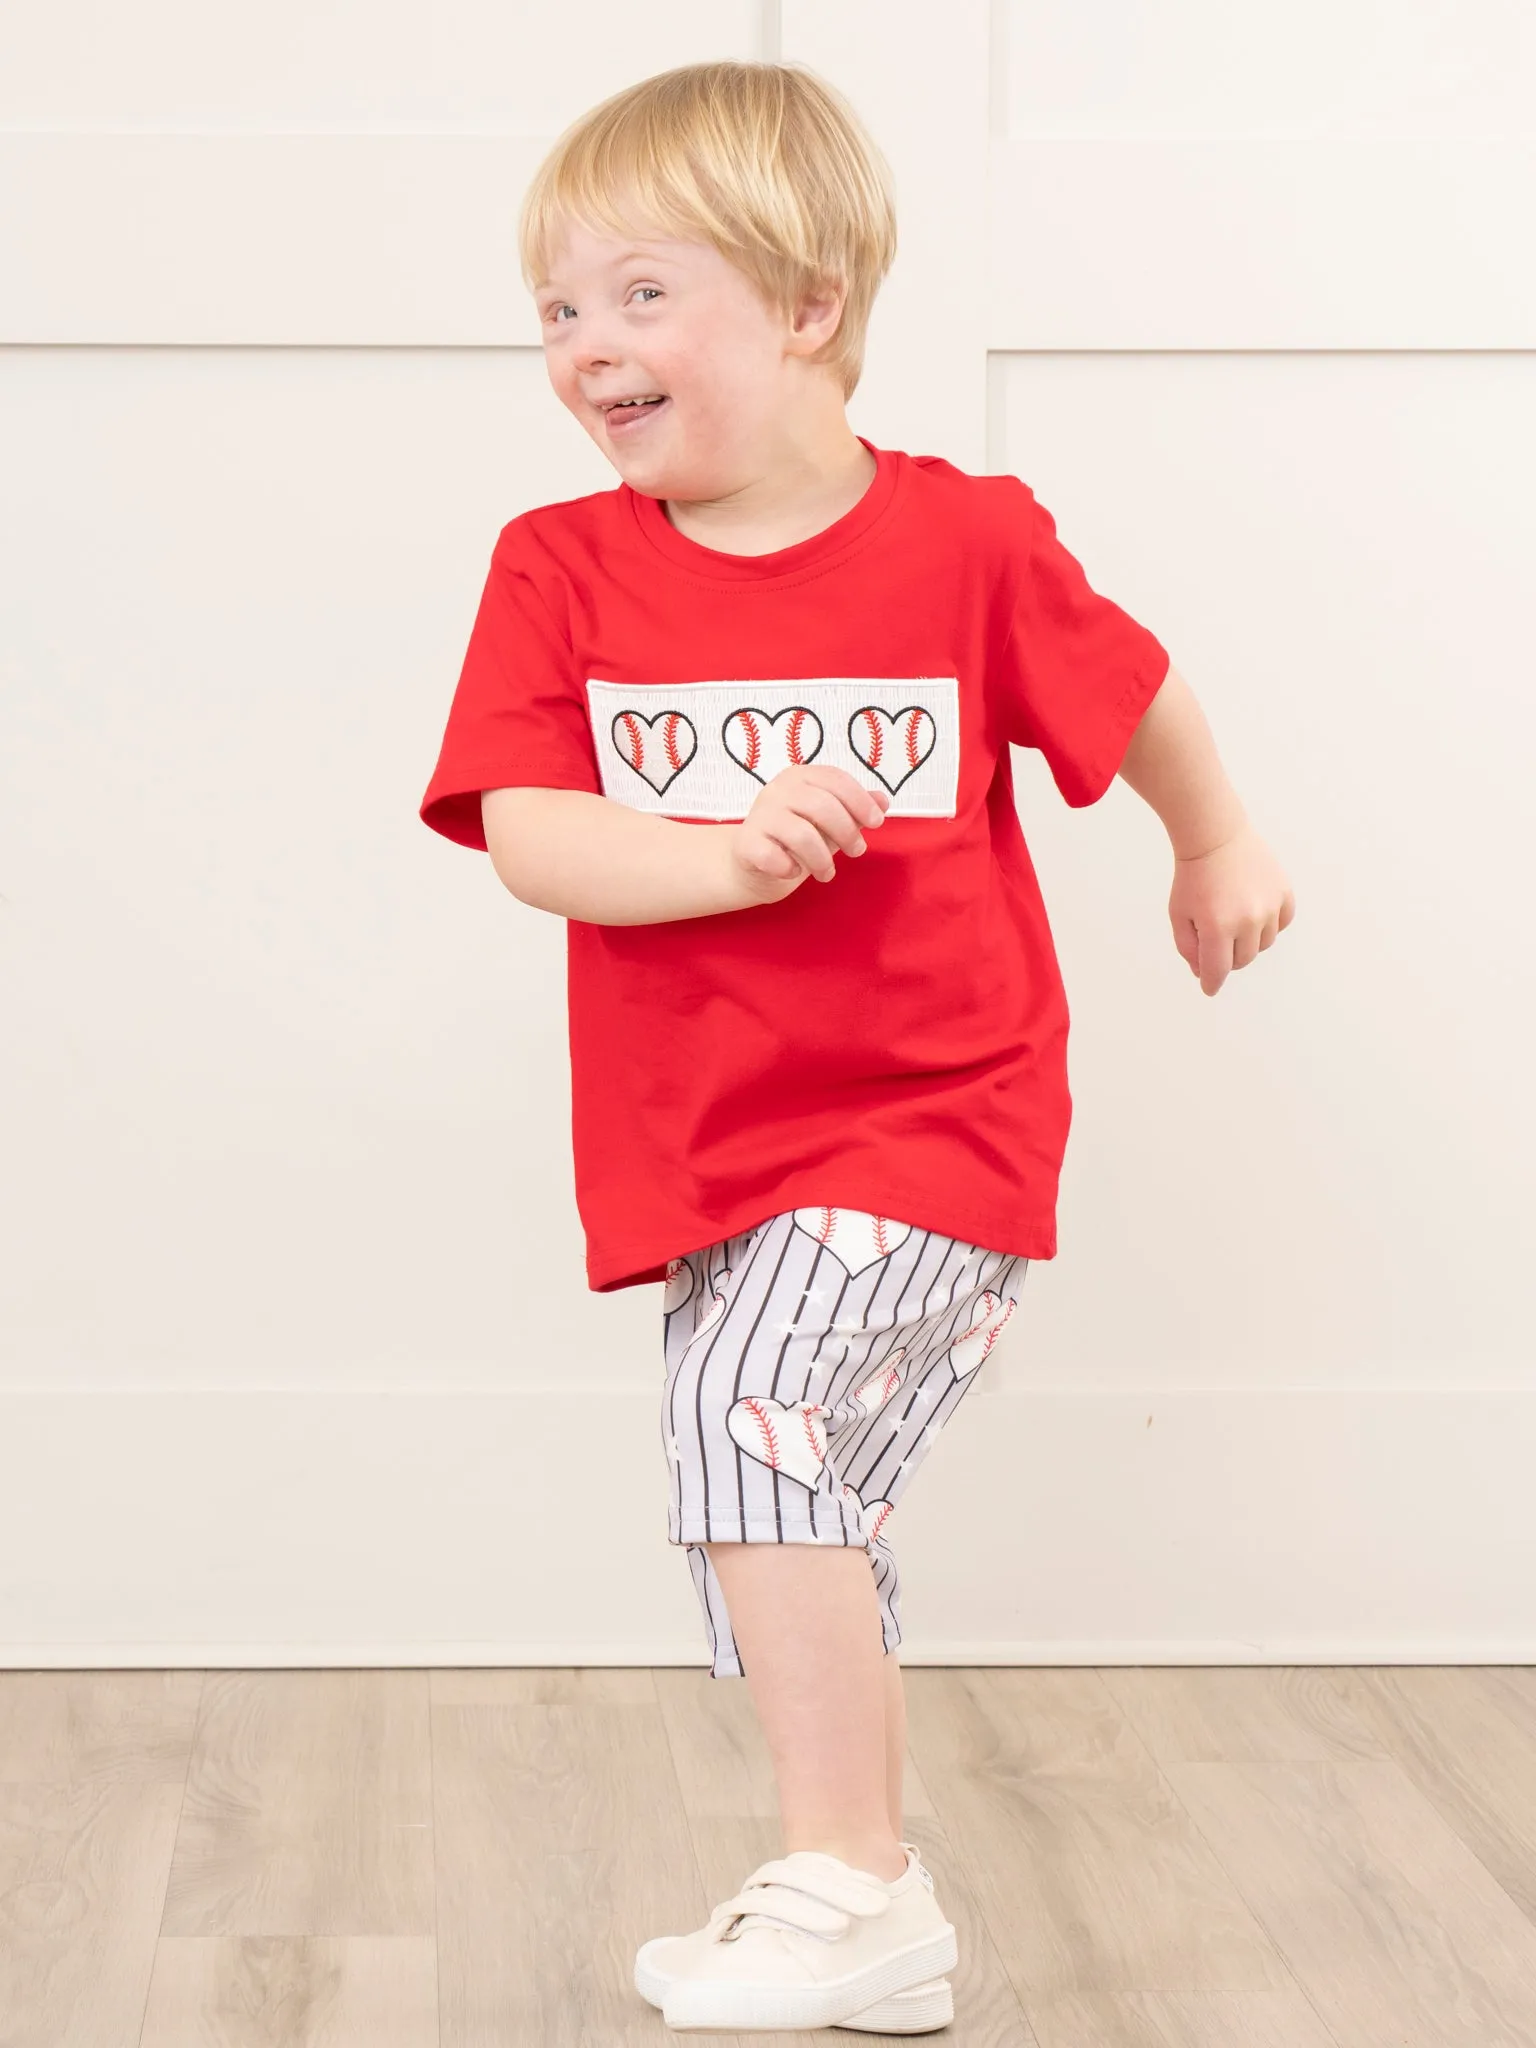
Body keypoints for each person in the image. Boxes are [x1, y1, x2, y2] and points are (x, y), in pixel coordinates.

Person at [418, 57, 1295, 2038]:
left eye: (640, 294)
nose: (584, 346)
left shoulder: (964, 544)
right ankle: (856, 1909)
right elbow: (529, 836)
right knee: (772, 1485)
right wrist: (720, 857)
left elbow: (1131, 690)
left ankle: (854, 1877)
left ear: (808, 305)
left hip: (936, 1111)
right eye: (556, 307)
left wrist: (1216, 836)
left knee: (754, 1431)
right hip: (710, 1143)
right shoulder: (558, 570)